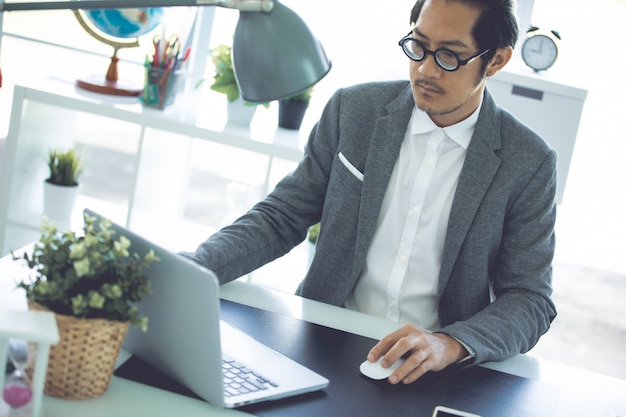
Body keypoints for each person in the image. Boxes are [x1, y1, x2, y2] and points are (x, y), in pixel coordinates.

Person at [182, 0, 557, 385]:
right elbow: (283, 216)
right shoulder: (354, 110)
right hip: (321, 338)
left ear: (495, 61)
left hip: (432, 367)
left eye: (449, 56)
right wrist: (193, 267)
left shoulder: (528, 162)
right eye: (418, 46)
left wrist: (449, 343)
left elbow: (530, 299)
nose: (425, 69)